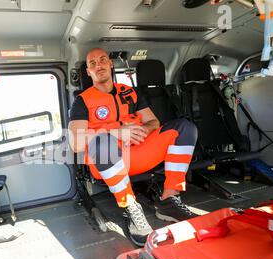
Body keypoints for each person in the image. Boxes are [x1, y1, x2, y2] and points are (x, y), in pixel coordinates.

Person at [68, 48, 198, 246]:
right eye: (92, 63)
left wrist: (141, 130)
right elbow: (75, 143)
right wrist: (117, 132)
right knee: (102, 142)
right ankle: (130, 205)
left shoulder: (129, 92)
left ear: (111, 64)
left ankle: (168, 200)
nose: (98, 65)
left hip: (139, 151)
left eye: (103, 60)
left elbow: (154, 123)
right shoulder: (82, 101)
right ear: (88, 72)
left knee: (184, 128)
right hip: (107, 162)